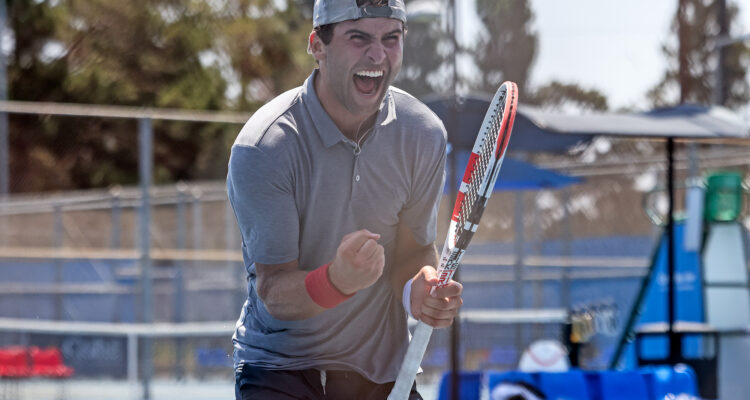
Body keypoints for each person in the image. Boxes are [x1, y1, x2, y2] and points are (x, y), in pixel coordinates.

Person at [227, 0, 463, 398]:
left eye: (392, 38)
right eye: (359, 38)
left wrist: (418, 290)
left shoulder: (424, 134)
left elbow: (414, 251)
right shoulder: (264, 147)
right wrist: (336, 281)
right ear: (317, 45)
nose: (377, 55)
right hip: (281, 373)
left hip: (383, 375)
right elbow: (274, 290)